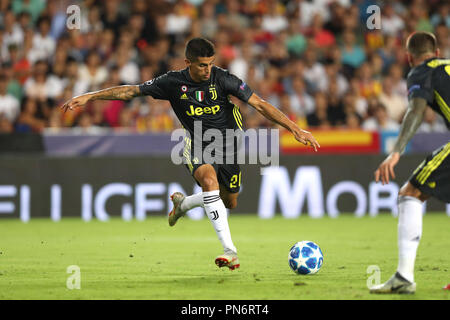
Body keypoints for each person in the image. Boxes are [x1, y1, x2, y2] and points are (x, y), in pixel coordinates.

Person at [61, 38, 320, 270]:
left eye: (210, 64)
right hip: (195, 141)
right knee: (209, 183)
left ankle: (183, 205)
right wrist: (91, 96)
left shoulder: (224, 79)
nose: (207, 70)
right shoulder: (172, 82)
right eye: (201, 65)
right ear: (188, 63)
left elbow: (260, 104)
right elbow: (131, 91)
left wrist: (295, 129)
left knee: (229, 202)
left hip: (227, 142)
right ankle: (230, 251)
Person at [371, 32, 450, 294]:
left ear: (409, 57)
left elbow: (416, 110)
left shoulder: (420, 71)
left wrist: (396, 151)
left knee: (410, 193)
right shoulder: (447, 66)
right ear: (437, 52)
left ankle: (404, 277)